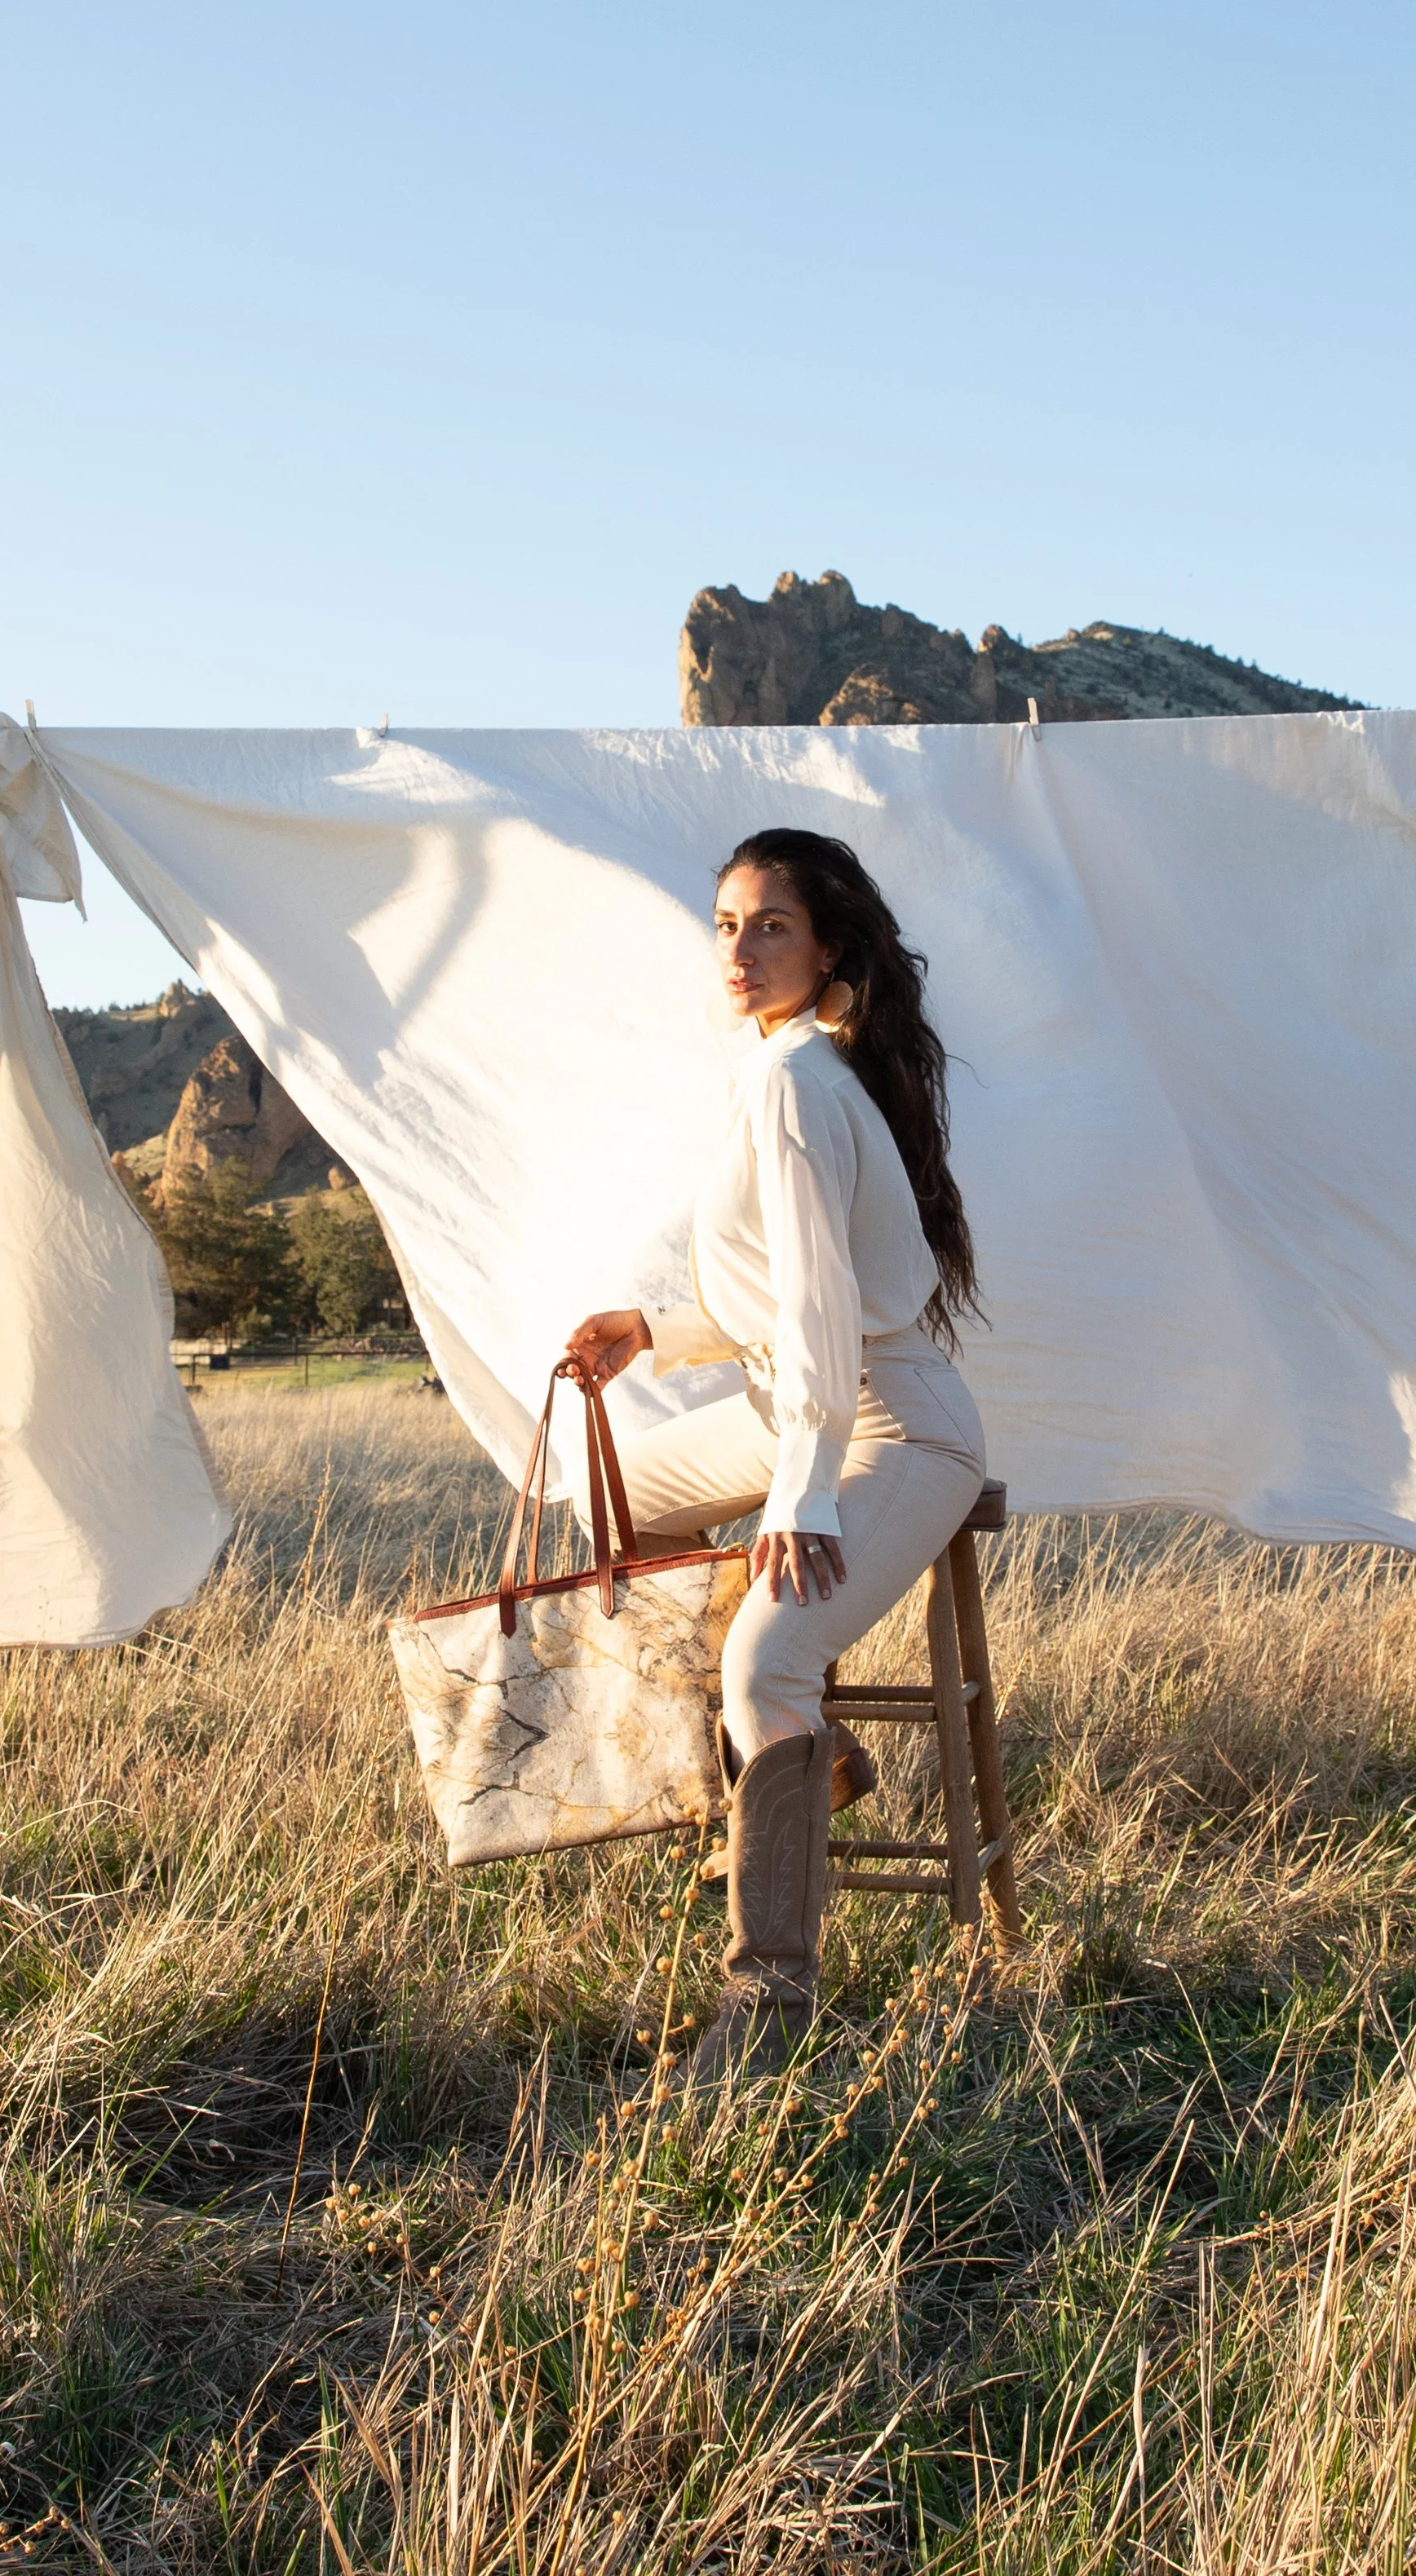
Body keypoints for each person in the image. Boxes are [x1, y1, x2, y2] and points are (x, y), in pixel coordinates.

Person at [565, 827, 985, 2078]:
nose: (741, 951)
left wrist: (800, 1495)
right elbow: (783, 1307)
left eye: (772, 927)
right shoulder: (778, 1067)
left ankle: (768, 2003)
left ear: (831, 944)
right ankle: (814, 1765)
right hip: (797, 1392)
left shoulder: (800, 1081)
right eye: (728, 926)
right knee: (615, 1497)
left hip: (895, 1422)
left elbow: (822, 1314)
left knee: (765, 1655)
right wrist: (660, 1331)